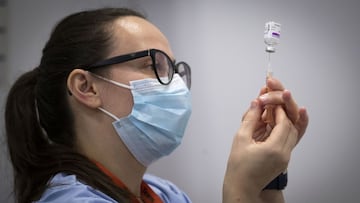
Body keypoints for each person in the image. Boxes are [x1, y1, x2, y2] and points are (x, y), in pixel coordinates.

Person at [4, 7, 308, 203]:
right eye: (155, 65)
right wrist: (239, 191)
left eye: (175, 70)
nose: (175, 84)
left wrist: (268, 178)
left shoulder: (164, 194)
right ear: (86, 87)